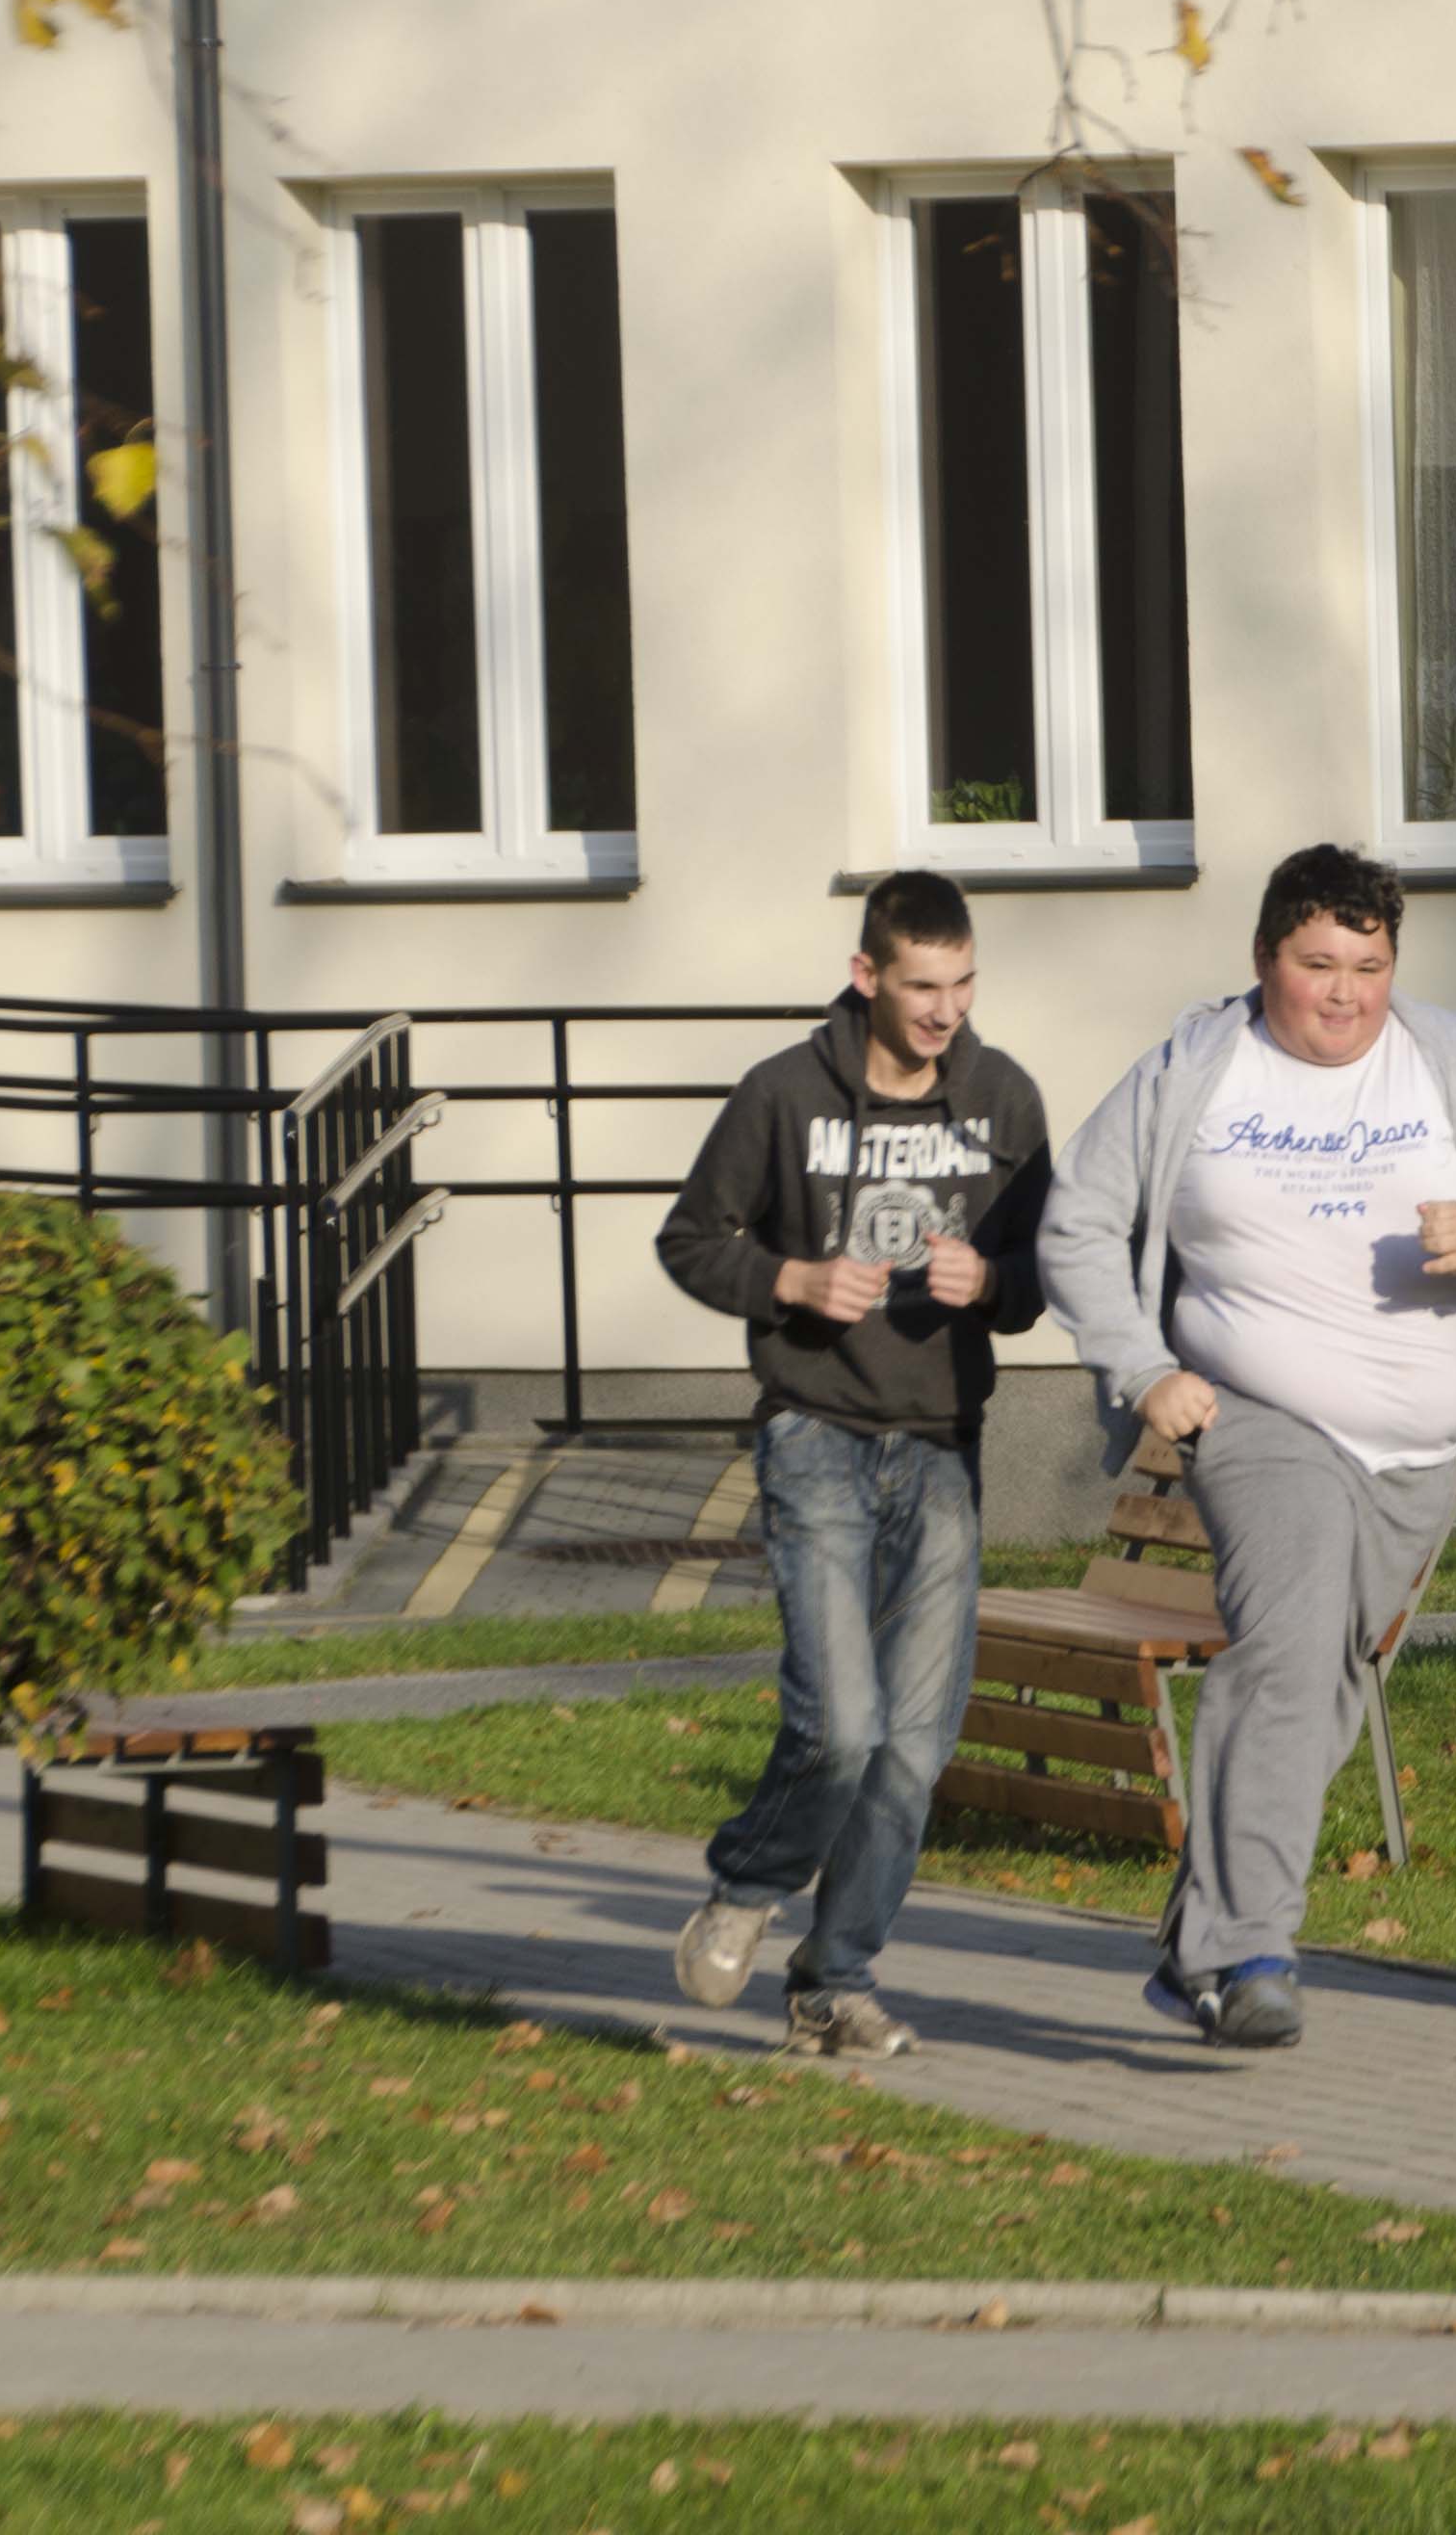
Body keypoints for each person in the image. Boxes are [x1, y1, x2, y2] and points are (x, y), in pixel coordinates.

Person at [1036, 842, 1456, 2052]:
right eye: (1317, 963)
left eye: (1367, 966)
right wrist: (1141, 1365)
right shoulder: (1197, 1066)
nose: (1343, 992)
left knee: (1329, 1687)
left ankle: (1195, 1945)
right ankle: (1248, 1954)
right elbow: (1076, 1218)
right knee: (1284, 1655)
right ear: (1264, 959)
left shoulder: (1439, 1054)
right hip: (1254, 1415)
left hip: (1417, 1448)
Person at [651, 870, 1051, 2059]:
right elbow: (690, 1239)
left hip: (939, 1450)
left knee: (914, 1747)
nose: (944, 1011)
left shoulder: (1004, 1101)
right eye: (922, 986)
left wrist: (996, 1285)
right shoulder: (782, 1095)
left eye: (963, 983)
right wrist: (791, 1280)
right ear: (866, 974)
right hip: (813, 1431)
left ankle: (833, 1982)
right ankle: (745, 1882)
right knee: (839, 1726)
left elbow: (1048, 1268)